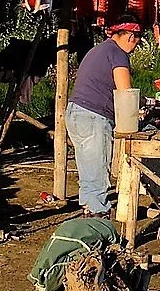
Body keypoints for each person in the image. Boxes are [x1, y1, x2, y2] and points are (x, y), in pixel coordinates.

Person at [66, 13, 142, 217]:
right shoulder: (118, 54)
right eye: (136, 42)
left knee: (87, 164)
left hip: (75, 112)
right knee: (98, 166)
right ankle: (97, 213)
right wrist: (139, 111)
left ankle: (89, 206)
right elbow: (125, 92)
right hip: (93, 115)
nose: (134, 48)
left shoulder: (100, 49)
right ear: (129, 37)